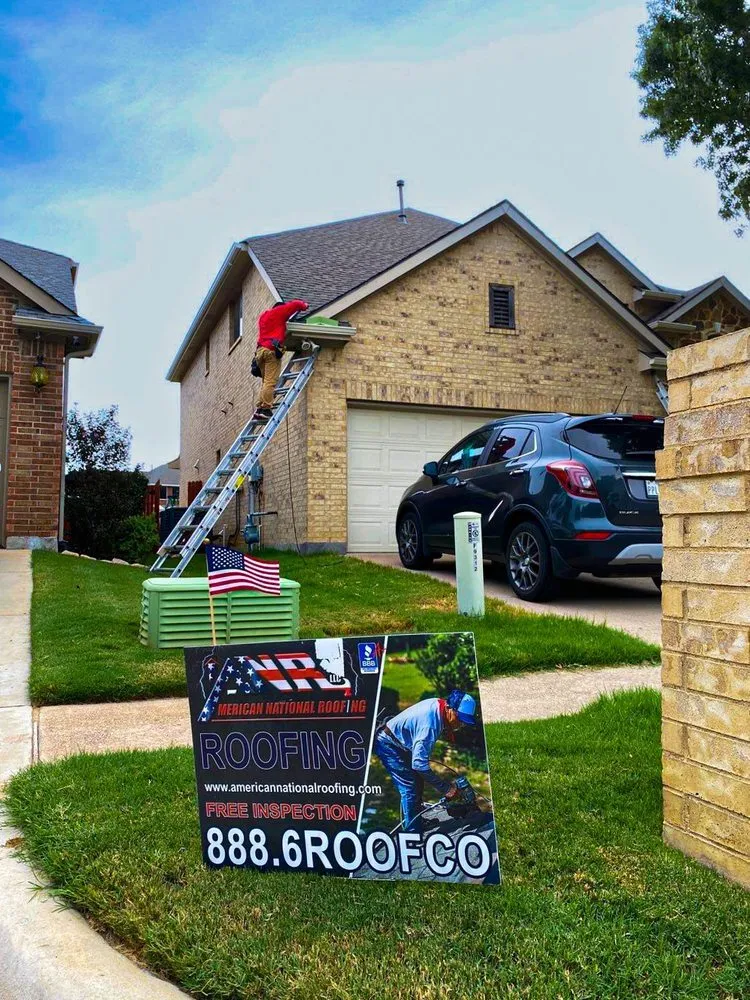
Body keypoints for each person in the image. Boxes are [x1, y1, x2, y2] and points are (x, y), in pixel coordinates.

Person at [374, 688, 477, 834]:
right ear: (449, 708)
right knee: (409, 786)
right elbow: (419, 765)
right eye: (459, 718)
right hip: (388, 744)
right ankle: (412, 833)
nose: (461, 724)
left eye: (464, 721)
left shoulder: (439, 706)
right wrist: (446, 788)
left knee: (417, 780)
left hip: (401, 742)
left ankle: (416, 819)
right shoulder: (430, 725)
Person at [252, 298, 309, 422]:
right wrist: (304, 305)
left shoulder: (264, 316)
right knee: (270, 382)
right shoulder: (279, 312)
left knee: (265, 382)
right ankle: (266, 409)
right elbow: (295, 304)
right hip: (271, 351)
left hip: (260, 351)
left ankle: (261, 408)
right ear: (279, 307)